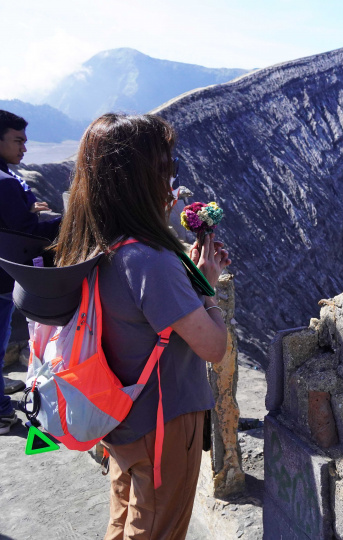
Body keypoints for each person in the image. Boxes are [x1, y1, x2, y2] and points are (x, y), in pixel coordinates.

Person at [54, 113, 231, 539]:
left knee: (125, 518)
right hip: (164, 421)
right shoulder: (150, 259)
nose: (171, 184)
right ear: (140, 180)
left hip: (119, 413)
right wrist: (206, 286)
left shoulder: (93, 242)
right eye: (165, 170)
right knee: (157, 528)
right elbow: (212, 346)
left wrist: (186, 273)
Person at [0, 110, 61, 434]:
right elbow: (26, 233)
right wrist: (67, 220)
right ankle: (2, 415)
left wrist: (26, 210)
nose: (24, 148)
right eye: (18, 140)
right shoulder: (6, 183)